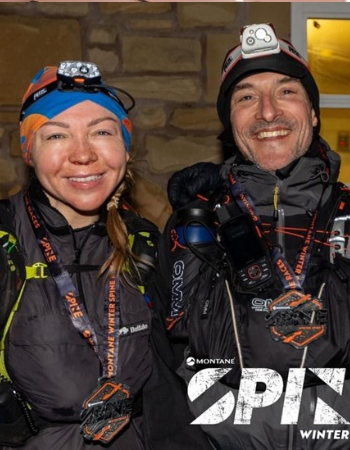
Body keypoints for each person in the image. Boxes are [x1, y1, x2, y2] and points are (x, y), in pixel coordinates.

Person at [161, 24, 350, 449]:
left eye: (286, 92)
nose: (268, 112)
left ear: (314, 112)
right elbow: (167, 371)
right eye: (246, 97)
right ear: (230, 123)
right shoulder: (194, 224)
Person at [0, 62, 211, 449]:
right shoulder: (5, 237)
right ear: (29, 152)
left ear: (126, 151)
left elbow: (181, 370)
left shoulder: (146, 240)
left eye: (101, 131)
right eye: (56, 135)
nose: (83, 154)